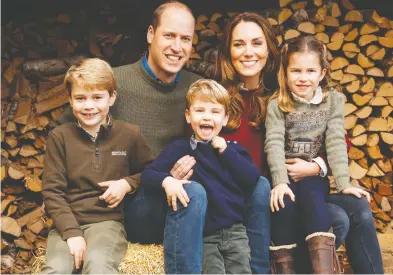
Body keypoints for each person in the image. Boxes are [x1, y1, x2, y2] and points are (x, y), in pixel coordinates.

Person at [176, 11, 383, 274]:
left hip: (299, 187)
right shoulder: (215, 101)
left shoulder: (287, 88)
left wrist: (317, 166)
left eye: (257, 43)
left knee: (358, 208)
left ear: (269, 49)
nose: (248, 52)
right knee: (338, 220)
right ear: (228, 50)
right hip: (259, 201)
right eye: (239, 44)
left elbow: (338, 137)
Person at [265, 35, 372, 274]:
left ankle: (323, 269)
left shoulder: (333, 101)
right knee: (283, 206)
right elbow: (273, 143)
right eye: (296, 71)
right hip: (286, 177)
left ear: (322, 73)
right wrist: (280, 182)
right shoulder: (278, 105)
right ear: (285, 72)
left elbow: (335, 140)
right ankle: (283, 270)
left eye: (310, 71)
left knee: (314, 197)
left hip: (313, 177)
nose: (303, 78)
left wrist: (343, 183)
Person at [41, 58, 154, 274]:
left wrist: (127, 183)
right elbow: (52, 191)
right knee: (55, 269)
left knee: (98, 264)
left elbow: (150, 171)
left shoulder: (130, 134)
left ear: (112, 97)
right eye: (80, 98)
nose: (89, 106)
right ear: (70, 100)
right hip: (65, 224)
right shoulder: (59, 137)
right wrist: (72, 233)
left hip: (107, 223)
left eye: (97, 97)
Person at [142, 79, 259, 274]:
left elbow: (252, 178)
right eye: (200, 111)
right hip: (205, 235)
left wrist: (226, 152)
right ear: (188, 116)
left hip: (236, 232)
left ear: (225, 118)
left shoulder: (233, 150)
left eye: (215, 112)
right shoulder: (180, 148)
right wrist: (168, 181)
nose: (207, 117)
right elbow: (148, 175)